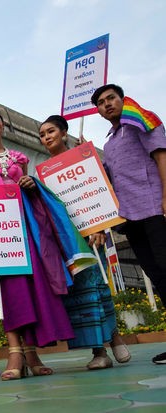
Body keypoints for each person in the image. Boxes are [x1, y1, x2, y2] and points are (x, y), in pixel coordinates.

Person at [0, 104, 77, 380]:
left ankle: (32, 352)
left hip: (26, 228)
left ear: (3, 124)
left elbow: (28, 190)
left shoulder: (18, 158)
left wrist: (28, 181)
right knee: (11, 291)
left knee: (34, 287)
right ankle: (15, 352)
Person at [39, 114, 131, 369]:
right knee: (81, 294)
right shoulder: (45, 173)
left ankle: (113, 338)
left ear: (64, 132)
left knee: (98, 286)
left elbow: (98, 194)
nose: (46, 137)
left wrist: (100, 228)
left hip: (93, 236)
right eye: (42, 134)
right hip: (69, 243)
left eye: (50, 131)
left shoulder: (85, 158)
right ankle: (99, 349)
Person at [90, 84, 166, 364]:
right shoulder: (109, 143)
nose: (107, 104)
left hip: (154, 207)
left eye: (111, 98)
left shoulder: (141, 121)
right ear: (97, 111)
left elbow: (161, 155)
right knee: (157, 275)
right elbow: (107, 181)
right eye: (101, 102)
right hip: (129, 215)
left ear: (122, 99)